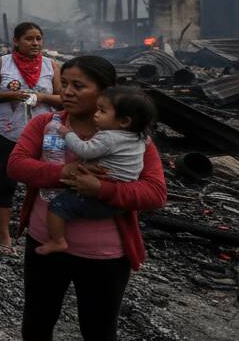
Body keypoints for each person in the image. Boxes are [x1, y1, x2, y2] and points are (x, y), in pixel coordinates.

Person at [2, 57, 166, 341]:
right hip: (46, 242)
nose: (68, 92)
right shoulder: (46, 124)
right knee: (39, 315)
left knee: (100, 329)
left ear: (104, 94)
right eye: (66, 84)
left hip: (105, 255)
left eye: (80, 86)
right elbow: (17, 165)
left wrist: (103, 190)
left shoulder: (134, 138)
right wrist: (63, 173)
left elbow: (155, 192)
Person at [37, 86, 156, 255]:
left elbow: (85, 150)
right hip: (121, 200)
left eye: (102, 111)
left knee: (58, 206)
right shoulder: (140, 138)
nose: (96, 114)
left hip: (99, 196)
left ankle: (58, 240)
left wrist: (67, 134)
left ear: (124, 122)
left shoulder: (108, 137)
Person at [0, 22, 62, 255]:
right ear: (16, 41)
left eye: (38, 39)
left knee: (46, 182)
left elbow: (62, 99)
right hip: (9, 132)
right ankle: (4, 234)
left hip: (47, 134)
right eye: (29, 39)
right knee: (7, 181)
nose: (35, 43)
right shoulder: (2, 63)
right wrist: (10, 95)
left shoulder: (50, 65)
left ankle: (43, 230)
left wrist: (41, 97)